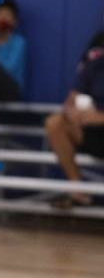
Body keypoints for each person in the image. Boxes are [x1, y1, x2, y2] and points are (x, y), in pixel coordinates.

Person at [45, 36, 104, 208]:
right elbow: (71, 101)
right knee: (55, 123)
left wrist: (100, 117)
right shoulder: (95, 61)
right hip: (93, 133)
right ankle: (78, 190)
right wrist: (74, 114)